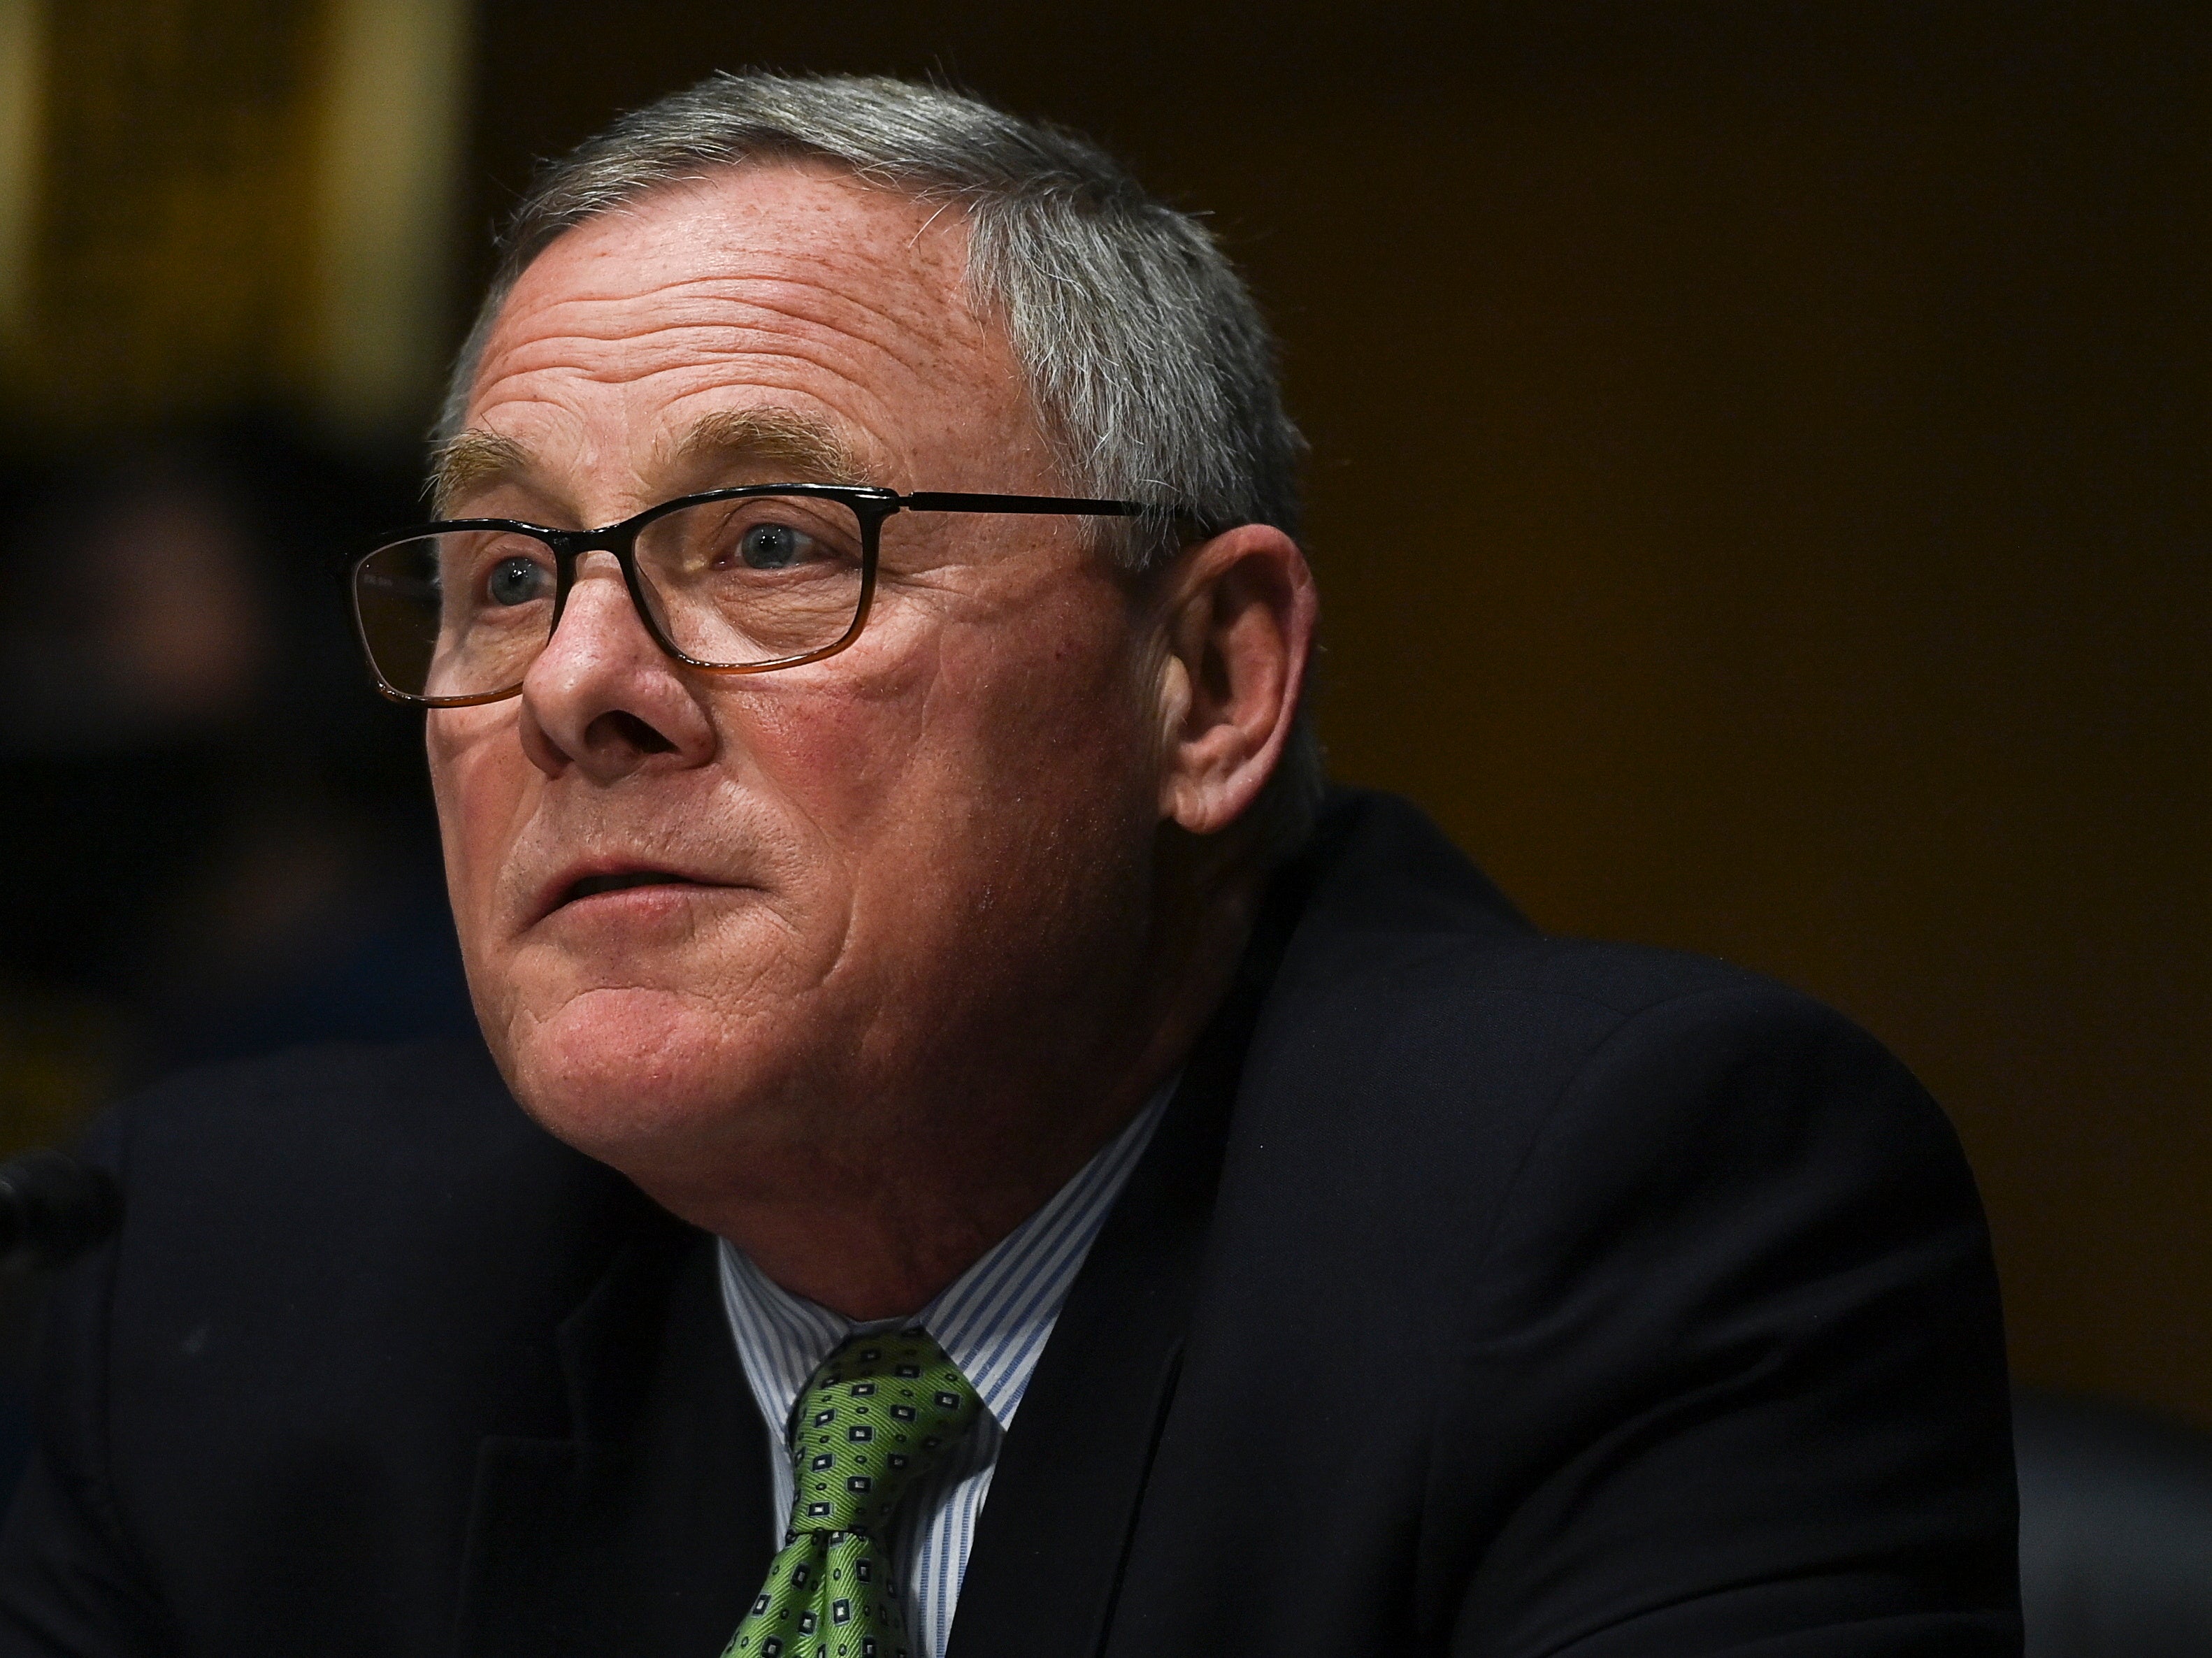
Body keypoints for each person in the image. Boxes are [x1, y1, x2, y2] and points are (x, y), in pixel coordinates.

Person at [0, 73, 2018, 1657]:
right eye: (509, 574)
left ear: (1206, 680)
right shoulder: (216, 1285)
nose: (579, 683)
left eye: (773, 543)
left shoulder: (1624, 1212)